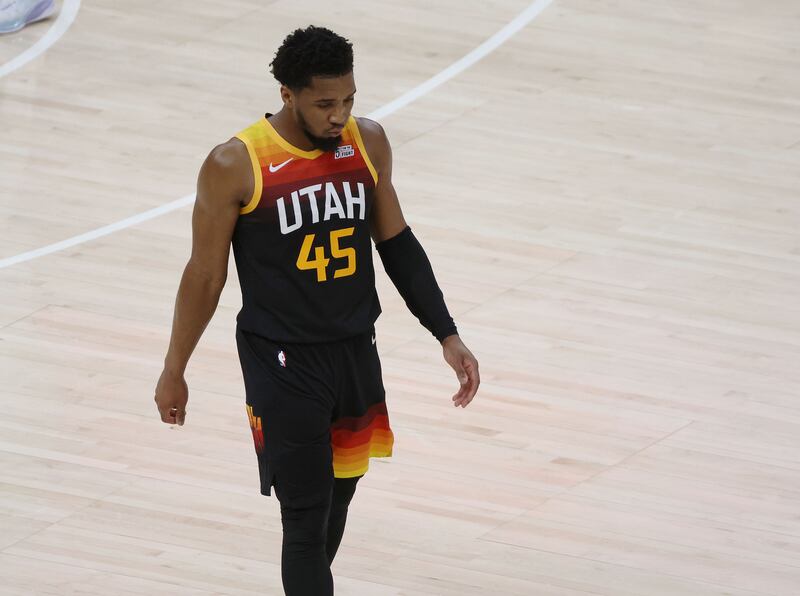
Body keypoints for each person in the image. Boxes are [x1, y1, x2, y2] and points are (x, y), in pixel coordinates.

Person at [154, 25, 480, 596]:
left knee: (338, 498)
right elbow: (204, 276)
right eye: (325, 103)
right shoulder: (237, 163)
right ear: (288, 94)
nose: (339, 115)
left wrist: (446, 333)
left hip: (354, 349)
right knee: (304, 515)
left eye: (348, 99)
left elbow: (398, 244)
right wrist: (174, 368)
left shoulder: (367, 142)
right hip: (281, 359)